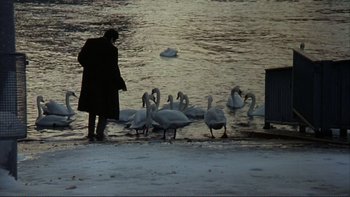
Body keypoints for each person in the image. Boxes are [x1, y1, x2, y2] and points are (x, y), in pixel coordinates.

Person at [77, 29, 127, 141]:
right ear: (112, 39)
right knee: (104, 110)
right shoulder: (112, 50)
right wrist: (121, 83)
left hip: (90, 82)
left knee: (92, 109)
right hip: (105, 85)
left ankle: (90, 133)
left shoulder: (90, 42)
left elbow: (80, 59)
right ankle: (100, 133)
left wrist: (90, 68)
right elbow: (114, 69)